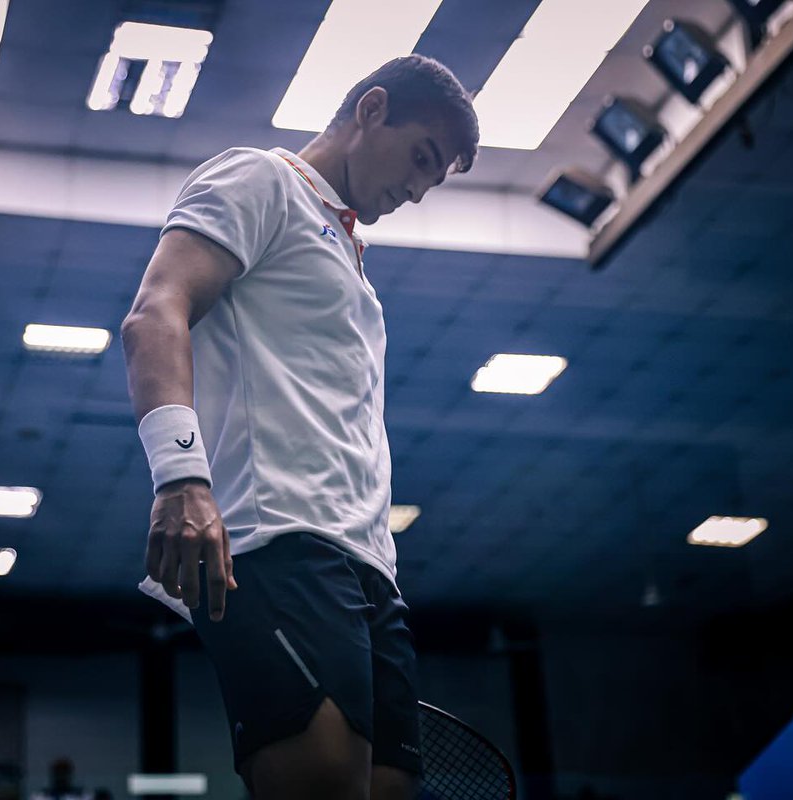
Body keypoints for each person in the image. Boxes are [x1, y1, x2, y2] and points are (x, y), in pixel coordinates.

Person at [121, 54, 479, 800]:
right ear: (371, 108)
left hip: (370, 569)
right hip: (280, 544)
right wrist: (182, 478)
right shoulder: (260, 179)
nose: (417, 189)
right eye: (421, 157)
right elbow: (156, 313)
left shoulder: (352, 258)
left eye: (435, 177)